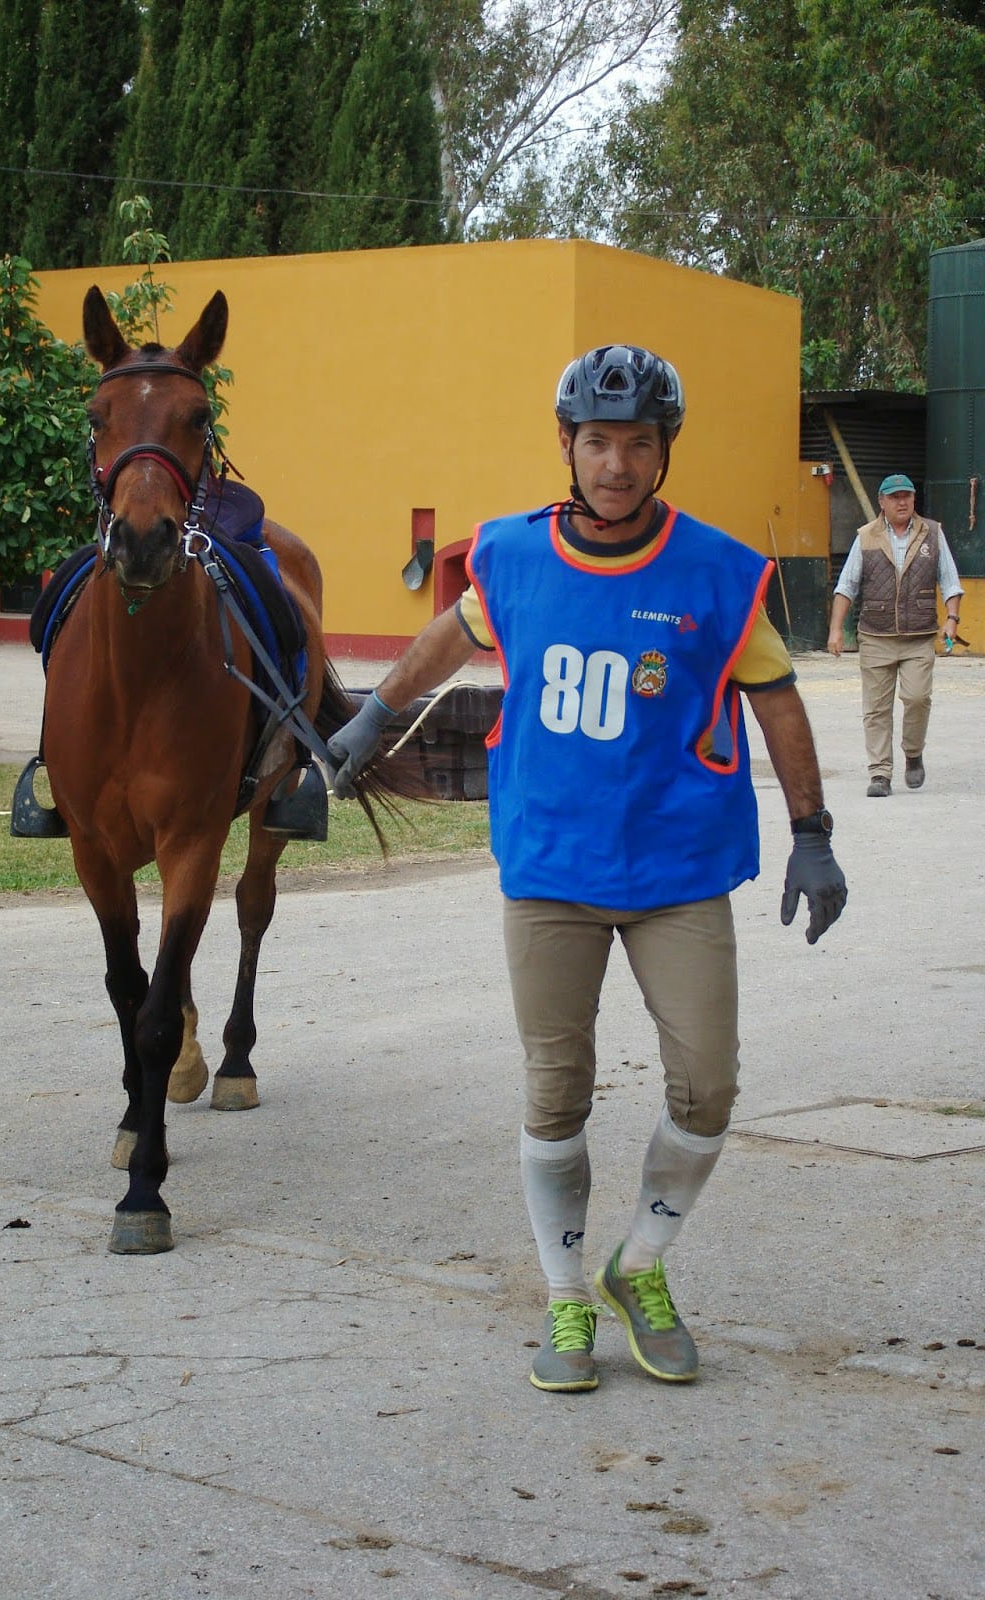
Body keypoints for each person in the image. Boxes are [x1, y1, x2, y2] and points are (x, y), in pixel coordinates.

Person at [328, 345, 847, 1392]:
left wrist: (814, 831)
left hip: (678, 869)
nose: (617, 462)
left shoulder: (716, 571)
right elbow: (446, 636)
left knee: (708, 1088)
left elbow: (778, 701)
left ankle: (639, 1265)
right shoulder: (514, 558)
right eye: (598, 441)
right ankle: (567, 1300)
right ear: (567, 446)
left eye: (638, 443)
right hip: (552, 867)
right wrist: (374, 716)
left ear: (664, 454)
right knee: (554, 1093)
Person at [826, 474, 964, 796]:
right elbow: (846, 586)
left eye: (907, 496)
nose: (902, 502)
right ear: (881, 501)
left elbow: (950, 581)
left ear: (914, 499)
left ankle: (913, 753)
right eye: (895, 497)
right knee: (876, 708)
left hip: (918, 636)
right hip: (875, 636)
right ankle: (880, 774)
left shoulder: (933, 533)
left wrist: (952, 619)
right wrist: (835, 630)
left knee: (917, 698)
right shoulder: (865, 537)